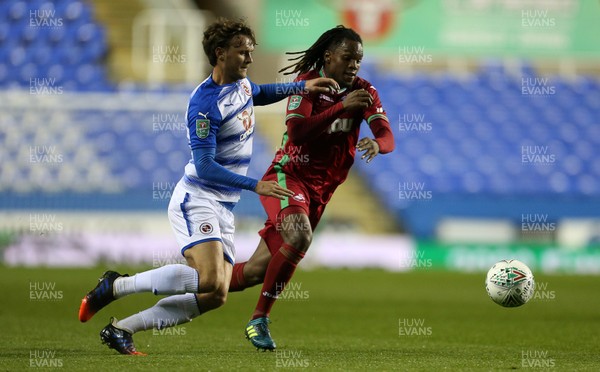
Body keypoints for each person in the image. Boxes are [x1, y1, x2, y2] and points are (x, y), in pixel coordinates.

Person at [77, 18, 337, 355]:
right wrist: (255, 185)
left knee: (216, 294)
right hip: (197, 198)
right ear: (221, 53)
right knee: (211, 279)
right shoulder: (204, 104)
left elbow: (257, 93)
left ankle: (121, 329)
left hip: (222, 206)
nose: (250, 59)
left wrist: (300, 88)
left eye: (251, 52)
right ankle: (117, 286)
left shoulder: (241, 85)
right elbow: (204, 165)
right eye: (243, 53)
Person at [224, 25, 395, 350]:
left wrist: (377, 143)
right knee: (300, 236)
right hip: (288, 177)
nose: (354, 65)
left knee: (254, 272)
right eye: (348, 57)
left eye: (358, 60)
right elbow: (299, 133)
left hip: (321, 192)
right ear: (329, 57)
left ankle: (191, 283)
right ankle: (258, 319)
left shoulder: (365, 91)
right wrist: (341, 109)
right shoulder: (308, 84)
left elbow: (388, 136)